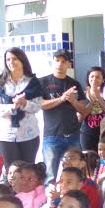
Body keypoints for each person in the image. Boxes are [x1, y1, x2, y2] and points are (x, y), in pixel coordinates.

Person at [39, 50, 87, 184]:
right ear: (52, 61)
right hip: (52, 135)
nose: (60, 64)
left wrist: (73, 101)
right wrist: (62, 98)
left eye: (63, 61)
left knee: (76, 174)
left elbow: (83, 110)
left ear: (69, 64)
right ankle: (52, 203)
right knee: (50, 175)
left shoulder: (75, 84)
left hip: (73, 135)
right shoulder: (43, 82)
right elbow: (41, 104)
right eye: (57, 60)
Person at [0, 47, 43, 169]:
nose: (11, 62)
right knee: (12, 171)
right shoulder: (0, 82)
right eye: (8, 59)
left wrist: (25, 103)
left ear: (22, 60)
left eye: (14, 59)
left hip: (29, 134)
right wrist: (13, 107)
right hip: (6, 135)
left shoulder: (33, 82)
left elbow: (37, 107)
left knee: (28, 170)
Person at [79, 66, 105, 152]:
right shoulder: (83, 96)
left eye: (98, 77)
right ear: (88, 78)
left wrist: (98, 97)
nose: (94, 79)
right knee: (88, 159)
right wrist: (92, 101)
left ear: (103, 79)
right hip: (87, 134)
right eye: (92, 76)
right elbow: (80, 118)